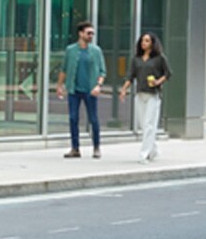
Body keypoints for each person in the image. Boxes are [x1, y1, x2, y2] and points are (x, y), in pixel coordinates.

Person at [53, 20, 107, 159]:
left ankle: (96, 147)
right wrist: (59, 85)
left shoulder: (96, 51)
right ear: (80, 33)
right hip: (74, 89)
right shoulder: (71, 50)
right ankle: (75, 148)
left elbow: (102, 71)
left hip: (90, 90)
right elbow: (64, 69)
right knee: (73, 118)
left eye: (92, 34)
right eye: (88, 33)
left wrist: (98, 85)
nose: (91, 36)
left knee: (93, 119)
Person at [119, 32, 172, 163]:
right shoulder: (136, 59)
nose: (144, 43)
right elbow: (130, 76)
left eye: (147, 41)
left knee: (149, 125)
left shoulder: (159, 58)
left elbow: (168, 73)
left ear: (153, 43)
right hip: (140, 94)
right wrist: (124, 89)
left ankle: (144, 154)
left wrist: (158, 82)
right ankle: (154, 150)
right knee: (144, 125)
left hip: (153, 95)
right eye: (143, 40)